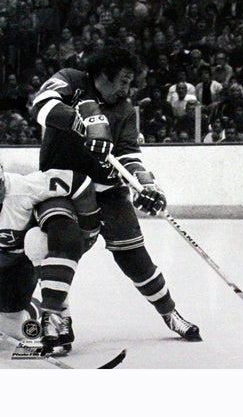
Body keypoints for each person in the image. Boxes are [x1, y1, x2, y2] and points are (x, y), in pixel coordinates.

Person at [31, 45, 201, 342]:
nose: (127, 88)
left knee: (135, 257)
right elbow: (41, 105)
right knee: (64, 244)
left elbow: (129, 153)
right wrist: (80, 122)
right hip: (61, 185)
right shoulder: (71, 80)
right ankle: (56, 318)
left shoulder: (123, 109)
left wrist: (146, 185)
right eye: (123, 80)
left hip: (107, 191)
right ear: (102, 74)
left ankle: (170, 313)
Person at [0, 163, 100, 353]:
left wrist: (88, 230)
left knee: (36, 240)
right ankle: (32, 307)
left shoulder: (23, 187)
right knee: (9, 328)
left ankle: (56, 313)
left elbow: (79, 181)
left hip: (23, 264)